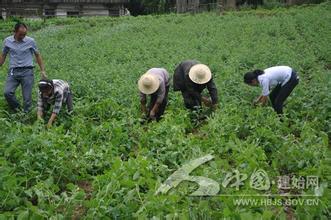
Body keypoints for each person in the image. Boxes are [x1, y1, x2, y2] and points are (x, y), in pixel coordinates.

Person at [0, 22, 47, 112]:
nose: (23, 36)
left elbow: (37, 55)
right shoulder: (7, 41)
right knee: (7, 93)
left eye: (24, 34)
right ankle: (18, 110)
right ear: (14, 32)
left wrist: (42, 70)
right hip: (13, 72)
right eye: (20, 34)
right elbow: (3, 55)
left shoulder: (31, 41)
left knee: (27, 98)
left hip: (27, 72)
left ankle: (26, 117)